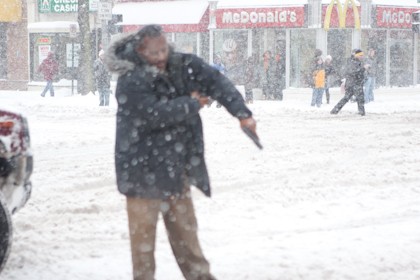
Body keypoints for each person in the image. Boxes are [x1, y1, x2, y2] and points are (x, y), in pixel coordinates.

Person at [104, 24, 257, 280]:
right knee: (143, 253)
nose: (161, 57)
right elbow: (153, 114)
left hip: (176, 173)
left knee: (189, 244)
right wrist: (192, 103)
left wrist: (242, 114)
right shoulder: (130, 80)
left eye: (164, 49)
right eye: (154, 53)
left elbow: (216, 81)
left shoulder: (181, 65)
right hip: (140, 178)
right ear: (140, 51)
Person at [331, 49, 367, 116]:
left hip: (353, 83)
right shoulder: (353, 62)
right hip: (354, 83)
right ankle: (362, 112)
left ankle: (335, 110)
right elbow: (354, 72)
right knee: (360, 98)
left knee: (347, 98)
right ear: (356, 55)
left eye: (362, 55)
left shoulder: (355, 62)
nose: (362, 57)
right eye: (360, 55)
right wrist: (363, 68)